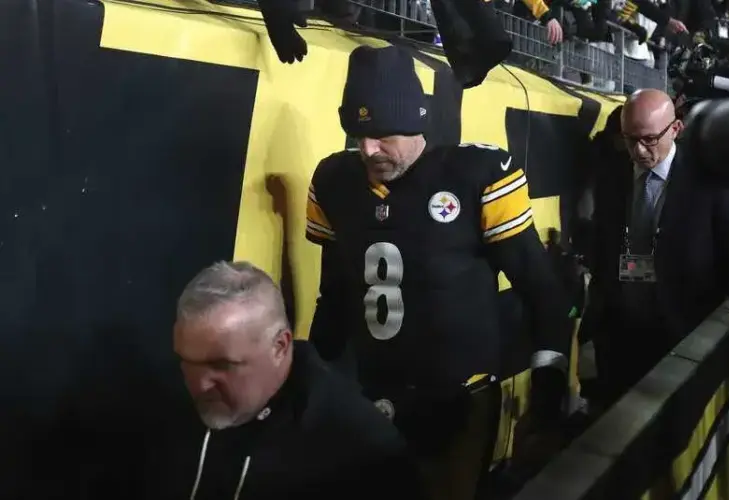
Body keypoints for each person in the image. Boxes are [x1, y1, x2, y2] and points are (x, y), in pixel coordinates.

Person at [304, 45, 573, 485]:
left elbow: (541, 291)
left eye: (384, 134)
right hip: (369, 393)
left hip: (458, 398)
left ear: (416, 122)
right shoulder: (335, 180)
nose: (370, 149)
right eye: (358, 134)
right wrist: (314, 385)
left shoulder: (476, 174)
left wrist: (547, 399)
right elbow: (333, 295)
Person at [144, 261, 424, 500]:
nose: (200, 384)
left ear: (279, 346)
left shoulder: (360, 448)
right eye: (187, 361)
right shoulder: (158, 406)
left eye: (221, 365)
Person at [583, 89, 729, 404]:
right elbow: (603, 249)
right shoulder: (611, 174)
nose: (638, 150)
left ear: (675, 129)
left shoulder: (712, 181)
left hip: (684, 340)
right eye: (629, 138)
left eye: (649, 139)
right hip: (619, 337)